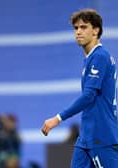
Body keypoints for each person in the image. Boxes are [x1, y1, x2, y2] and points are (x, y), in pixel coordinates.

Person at [41, 8, 118, 168]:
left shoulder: (100, 57)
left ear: (96, 30)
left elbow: (89, 96)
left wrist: (58, 118)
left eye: (83, 27)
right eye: (76, 28)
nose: (78, 32)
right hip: (86, 136)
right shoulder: (90, 58)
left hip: (101, 135)